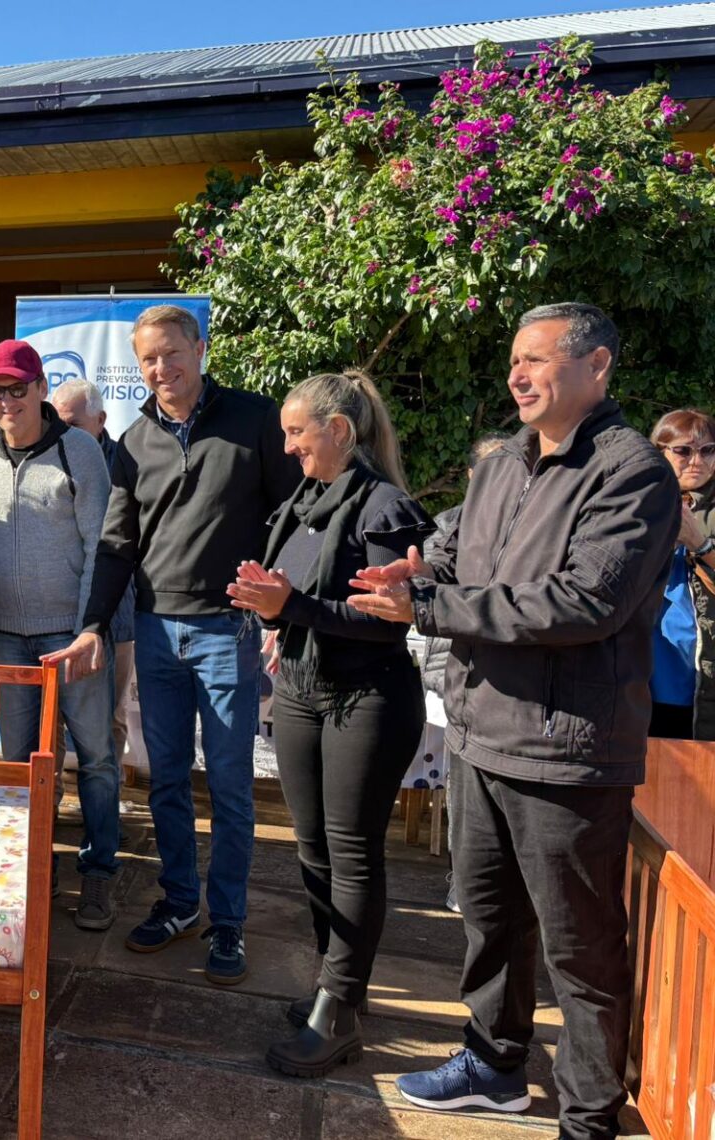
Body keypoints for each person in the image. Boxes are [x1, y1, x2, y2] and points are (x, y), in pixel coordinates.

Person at [349, 302, 679, 1138]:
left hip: (567, 750)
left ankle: (588, 1113)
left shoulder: (631, 471)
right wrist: (415, 570)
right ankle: (495, 1065)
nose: (517, 377)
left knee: (580, 947)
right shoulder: (502, 465)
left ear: (596, 367)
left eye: (536, 360)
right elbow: (458, 554)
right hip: (480, 732)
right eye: (513, 362)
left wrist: (428, 601)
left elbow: (583, 601)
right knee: (488, 919)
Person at [49, 304, 300, 984]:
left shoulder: (254, 421)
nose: (162, 368)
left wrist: (280, 603)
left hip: (229, 632)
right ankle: (180, 902)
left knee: (228, 785)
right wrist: (94, 623)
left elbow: (295, 515)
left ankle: (228, 923)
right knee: (164, 782)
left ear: (200, 348)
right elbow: (117, 544)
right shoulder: (134, 441)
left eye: (171, 353)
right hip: (157, 631)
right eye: (148, 360)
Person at [225, 370, 430, 1076]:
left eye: (296, 433)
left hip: (365, 698)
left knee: (351, 852)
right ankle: (335, 986)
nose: (287, 449)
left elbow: (386, 624)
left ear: (338, 431)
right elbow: (299, 594)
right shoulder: (307, 499)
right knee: (311, 850)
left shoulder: (385, 508)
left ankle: (339, 1008)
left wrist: (292, 610)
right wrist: (266, 605)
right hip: (304, 692)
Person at [0, 341, 118, 930]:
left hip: (70, 636)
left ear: (42, 389)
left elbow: (103, 548)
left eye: (17, 389)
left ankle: (99, 872)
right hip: (6, 637)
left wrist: (88, 631)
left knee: (96, 758)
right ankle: (30, 870)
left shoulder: (79, 452)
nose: (5, 401)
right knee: (18, 762)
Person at [421, 432, 509, 914]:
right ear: (473, 476)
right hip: (461, 676)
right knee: (466, 791)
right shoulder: (451, 523)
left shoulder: (537, 523)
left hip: (517, 685)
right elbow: (433, 577)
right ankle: (464, 879)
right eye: (494, 468)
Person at [49, 379, 137, 778]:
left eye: (72, 423)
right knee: (49, 723)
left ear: (100, 420)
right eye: (56, 420)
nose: (62, 430)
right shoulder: (44, 458)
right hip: (53, 615)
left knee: (111, 717)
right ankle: (47, 809)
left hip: (117, 615)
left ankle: (105, 804)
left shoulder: (128, 464)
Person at [647, 408, 715, 740]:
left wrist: (699, 543)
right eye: (683, 450)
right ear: (659, 451)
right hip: (642, 669)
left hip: (701, 673)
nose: (696, 460)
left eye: (707, 450)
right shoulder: (635, 503)